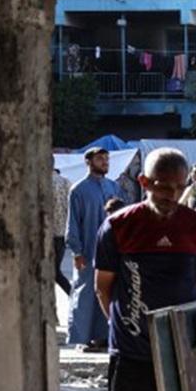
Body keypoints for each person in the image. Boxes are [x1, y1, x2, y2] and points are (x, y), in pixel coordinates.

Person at [91, 148, 196, 391]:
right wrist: (126, 325)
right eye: (162, 187)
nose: (171, 196)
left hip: (179, 352)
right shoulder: (118, 225)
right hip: (132, 354)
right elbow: (103, 286)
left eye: (178, 187)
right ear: (144, 182)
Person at [65, 146, 116, 349]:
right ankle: (83, 338)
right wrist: (76, 251)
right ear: (89, 162)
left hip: (111, 251)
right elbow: (73, 223)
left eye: (106, 158)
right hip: (87, 250)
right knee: (85, 294)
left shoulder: (114, 187)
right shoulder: (78, 190)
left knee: (108, 291)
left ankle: (104, 336)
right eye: (100, 158)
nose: (104, 162)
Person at [50, 165, 72, 297]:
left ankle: (72, 296)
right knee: (55, 270)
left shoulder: (43, 182)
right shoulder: (66, 182)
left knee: (54, 272)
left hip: (48, 233)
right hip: (62, 233)